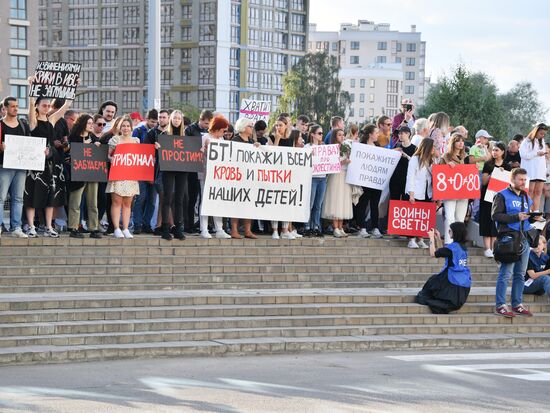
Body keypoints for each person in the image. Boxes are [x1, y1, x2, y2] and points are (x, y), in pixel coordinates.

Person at [492, 167, 539, 317]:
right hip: (509, 239)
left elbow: (525, 216)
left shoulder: (525, 196)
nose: (523, 182)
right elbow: (495, 216)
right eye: (521, 179)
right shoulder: (501, 195)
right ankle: (500, 305)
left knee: (520, 274)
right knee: (506, 273)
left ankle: (517, 303)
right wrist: (515, 217)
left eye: (525, 180)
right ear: (512, 180)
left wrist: (533, 217)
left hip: (524, 238)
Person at [25, 92, 72, 238]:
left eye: (48, 105)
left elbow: (66, 106)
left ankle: (49, 226)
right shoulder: (33, 122)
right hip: (34, 163)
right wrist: (32, 89)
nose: (46, 107)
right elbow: (31, 106)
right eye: (43, 105)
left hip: (51, 163)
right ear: (37, 107)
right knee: (32, 194)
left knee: (51, 194)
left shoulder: (51, 120)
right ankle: (32, 226)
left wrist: (73, 87)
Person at [415, 223, 471, 314]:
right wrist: (438, 238)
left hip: (452, 282)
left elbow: (433, 254)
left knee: (432, 281)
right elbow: (444, 252)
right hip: (463, 285)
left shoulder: (453, 248)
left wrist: (431, 238)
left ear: (455, 232)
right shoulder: (462, 247)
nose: (449, 232)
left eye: (450, 230)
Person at [67, 114, 102, 239]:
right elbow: (70, 152)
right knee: (75, 202)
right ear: (82, 124)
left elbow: (98, 153)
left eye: (92, 123)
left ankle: (93, 228)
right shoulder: (74, 137)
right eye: (89, 123)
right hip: (78, 174)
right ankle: (73, 227)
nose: (91, 125)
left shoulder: (93, 137)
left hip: (92, 173)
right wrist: (84, 145)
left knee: (93, 202)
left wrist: (97, 145)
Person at [0, 96, 30, 238]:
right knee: (1, 197)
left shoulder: (23, 125)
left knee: (18, 198)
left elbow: (29, 145)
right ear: (5, 108)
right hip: (4, 166)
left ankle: (16, 227)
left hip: (20, 167)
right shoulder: (0, 125)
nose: (16, 109)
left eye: (17, 106)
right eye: (12, 106)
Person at [106, 116, 140, 239]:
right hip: (117, 174)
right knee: (116, 202)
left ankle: (125, 228)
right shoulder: (115, 140)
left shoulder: (136, 141)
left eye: (127, 126)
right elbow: (108, 156)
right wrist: (112, 158)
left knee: (127, 203)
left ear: (131, 128)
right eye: (123, 126)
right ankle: (116, 228)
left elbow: (139, 158)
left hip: (131, 175)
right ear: (120, 127)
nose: (125, 128)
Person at [199, 114, 231, 239]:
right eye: (223, 130)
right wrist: (203, 150)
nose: (224, 133)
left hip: (218, 176)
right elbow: (199, 156)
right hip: (206, 174)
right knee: (205, 201)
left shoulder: (221, 140)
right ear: (217, 129)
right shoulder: (205, 138)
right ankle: (204, 228)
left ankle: (219, 228)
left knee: (216, 201)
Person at [157, 110, 188, 241]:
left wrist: (200, 149)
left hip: (182, 169)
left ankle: (178, 229)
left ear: (181, 121)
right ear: (171, 119)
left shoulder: (186, 136)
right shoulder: (164, 134)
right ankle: (165, 228)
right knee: (167, 198)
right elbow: (158, 155)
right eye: (174, 118)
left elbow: (191, 152)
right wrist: (157, 148)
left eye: (178, 119)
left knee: (180, 199)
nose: (176, 120)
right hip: (168, 169)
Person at [185, 110, 214, 234]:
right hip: (192, 168)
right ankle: (189, 224)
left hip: (205, 168)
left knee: (202, 198)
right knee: (191, 198)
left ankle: (203, 224)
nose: (207, 126)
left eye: (209, 124)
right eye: (206, 123)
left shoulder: (210, 131)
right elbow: (186, 145)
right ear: (200, 120)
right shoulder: (190, 130)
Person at [479, 142, 510, 258]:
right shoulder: (488, 164)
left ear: (502, 152)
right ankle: (487, 248)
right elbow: (484, 181)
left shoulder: (507, 166)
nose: (494, 152)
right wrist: (494, 174)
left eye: (497, 150)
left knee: (496, 221)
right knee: (486, 220)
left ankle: (494, 247)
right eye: (493, 150)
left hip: (500, 198)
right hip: (487, 197)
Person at [405, 138, 437, 249]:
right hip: (416, 191)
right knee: (414, 216)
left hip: (427, 192)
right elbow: (411, 177)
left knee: (423, 217)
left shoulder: (432, 161)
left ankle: (420, 238)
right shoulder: (415, 159)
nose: (434, 149)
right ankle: (411, 239)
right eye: (433, 147)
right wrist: (411, 194)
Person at [132, 109, 159, 235]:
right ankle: (137, 224)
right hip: (141, 168)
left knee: (152, 200)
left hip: (154, 169)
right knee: (140, 198)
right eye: (152, 121)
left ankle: (146, 223)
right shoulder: (138, 131)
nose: (154, 124)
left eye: (156, 122)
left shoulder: (159, 132)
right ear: (147, 119)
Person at [229, 117, 258, 239]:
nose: (252, 128)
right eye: (250, 126)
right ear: (243, 127)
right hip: (237, 177)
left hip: (249, 177)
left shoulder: (252, 142)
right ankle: (234, 230)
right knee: (236, 204)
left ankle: (247, 230)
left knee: (249, 204)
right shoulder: (235, 140)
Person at [322, 128, 352, 237]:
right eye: (339, 135)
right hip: (336, 176)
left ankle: (340, 227)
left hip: (344, 176)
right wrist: (343, 161)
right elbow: (331, 163)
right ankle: (335, 227)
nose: (342, 137)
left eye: (343, 135)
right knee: (336, 200)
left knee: (343, 201)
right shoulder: (331, 148)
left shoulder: (346, 147)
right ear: (335, 136)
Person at [355, 124, 383, 239]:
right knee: (363, 203)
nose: (378, 135)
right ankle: (362, 227)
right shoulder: (361, 146)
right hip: (364, 180)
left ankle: (375, 227)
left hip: (376, 180)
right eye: (376, 133)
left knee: (375, 204)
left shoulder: (378, 146)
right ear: (370, 134)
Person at [145, 109, 170, 235]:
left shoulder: (172, 133)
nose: (161, 119)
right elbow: (145, 152)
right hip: (155, 170)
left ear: (168, 118)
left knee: (164, 198)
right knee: (152, 199)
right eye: (160, 117)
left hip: (169, 170)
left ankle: (161, 224)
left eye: (164, 117)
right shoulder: (151, 133)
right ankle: (151, 224)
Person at [269, 115, 294, 239]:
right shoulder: (271, 137)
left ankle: (285, 229)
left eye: (281, 125)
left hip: (287, 175)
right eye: (277, 125)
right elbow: (271, 154)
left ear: (286, 126)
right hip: (275, 174)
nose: (278, 127)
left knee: (286, 202)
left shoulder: (290, 139)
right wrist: (277, 140)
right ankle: (274, 230)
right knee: (275, 201)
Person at [304, 124, 327, 238]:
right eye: (319, 133)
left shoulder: (324, 147)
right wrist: (309, 155)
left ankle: (316, 226)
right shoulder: (307, 147)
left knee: (318, 205)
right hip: (312, 178)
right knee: (310, 203)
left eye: (322, 133)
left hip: (322, 178)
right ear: (312, 134)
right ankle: (307, 226)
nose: (321, 135)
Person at [520, 123, 548, 212]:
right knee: (530, 191)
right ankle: (528, 211)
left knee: (538, 192)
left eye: (544, 134)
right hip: (530, 171)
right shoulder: (526, 141)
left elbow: (542, 158)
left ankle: (536, 211)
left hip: (540, 171)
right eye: (541, 133)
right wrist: (536, 154)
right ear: (536, 131)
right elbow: (523, 155)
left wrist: (545, 170)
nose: (542, 136)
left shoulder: (542, 142)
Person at [389, 126, 416, 202]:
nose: (399, 136)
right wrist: (393, 151)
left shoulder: (414, 148)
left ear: (408, 134)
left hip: (407, 179)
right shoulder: (397, 146)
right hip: (395, 178)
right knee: (394, 200)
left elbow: (416, 163)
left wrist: (406, 156)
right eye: (399, 134)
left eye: (402, 134)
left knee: (406, 201)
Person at [523, 236, 550, 300]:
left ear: (544, 245)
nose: (536, 246)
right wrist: (548, 271)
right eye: (534, 244)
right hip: (527, 285)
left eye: (538, 244)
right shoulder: (527, 256)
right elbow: (533, 275)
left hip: (539, 288)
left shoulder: (546, 257)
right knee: (545, 278)